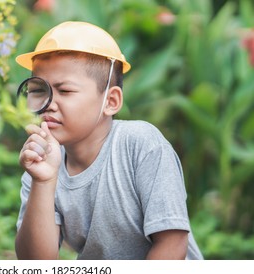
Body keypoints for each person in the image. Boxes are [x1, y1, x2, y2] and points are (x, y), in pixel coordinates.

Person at [14, 21, 203, 260]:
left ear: (111, 101)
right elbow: (37, 265)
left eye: (65, 91)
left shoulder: (141, 145)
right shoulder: (42, 165)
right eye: (39, 90)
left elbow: (173, 244)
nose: (48, 103)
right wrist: (43, 181)